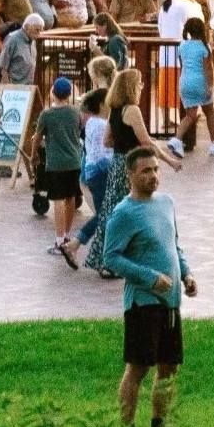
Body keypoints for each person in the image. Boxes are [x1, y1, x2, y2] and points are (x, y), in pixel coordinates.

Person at [104, 147, 197, 427]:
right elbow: (111, 257)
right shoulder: (123, 213)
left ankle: (159, 426)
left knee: (169, 368)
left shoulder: (166, 203)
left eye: (156, 169)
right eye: (145, 171)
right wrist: (149, 278)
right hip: (143, 302)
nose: (153, 176)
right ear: (130, 174)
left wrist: (186, 273)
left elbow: (174, 244)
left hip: (170, 302)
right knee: (139, 368)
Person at [84, 69, 183, 274]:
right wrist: (170, 160)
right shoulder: (132, 110)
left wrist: (122, 141)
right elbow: (147, 142)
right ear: (131, 87)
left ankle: (107, 259)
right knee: (132, 209)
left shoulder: (115, 109)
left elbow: (107, 140)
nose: (142, 87)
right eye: (139, 84)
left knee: (112, 211)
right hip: (132, 164)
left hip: (117, 164)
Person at [59, 88, 113, 269]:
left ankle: (75, 245)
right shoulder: (100, 124)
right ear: (100, 105)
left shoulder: (93, 122)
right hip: (100, 172)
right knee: (105, 215)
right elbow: (100, 153)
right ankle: (76, 245)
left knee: (105, 214)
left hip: (93, 171)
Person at [31, 77, 84, 258]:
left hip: (56, 163)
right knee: (71, 198)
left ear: (53, 93)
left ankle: (59, 240)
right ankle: (67, 236)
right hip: (74, 161)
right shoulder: (75, 112)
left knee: (59, 200)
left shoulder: (46, 115)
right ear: (69, 94)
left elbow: (37, 137)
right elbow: (79, 130)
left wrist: (33, 155)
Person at [169, 17, 214, 157]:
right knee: (210, 112)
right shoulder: (204, 47)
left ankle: (177, 139)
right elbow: (208, 69)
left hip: (185, 82)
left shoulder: (182, 46)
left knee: (190, 116)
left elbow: (183, 64)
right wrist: (210, 86)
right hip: (200, 82)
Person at [0, 12, 46, 85]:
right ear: (26, 27)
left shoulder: (32, 40)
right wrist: (8, 88)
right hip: (14, 88)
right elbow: (2, 67)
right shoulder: (12, 40)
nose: (39, 34)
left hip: (28, 87)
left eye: (40, 30)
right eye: (37, 30)